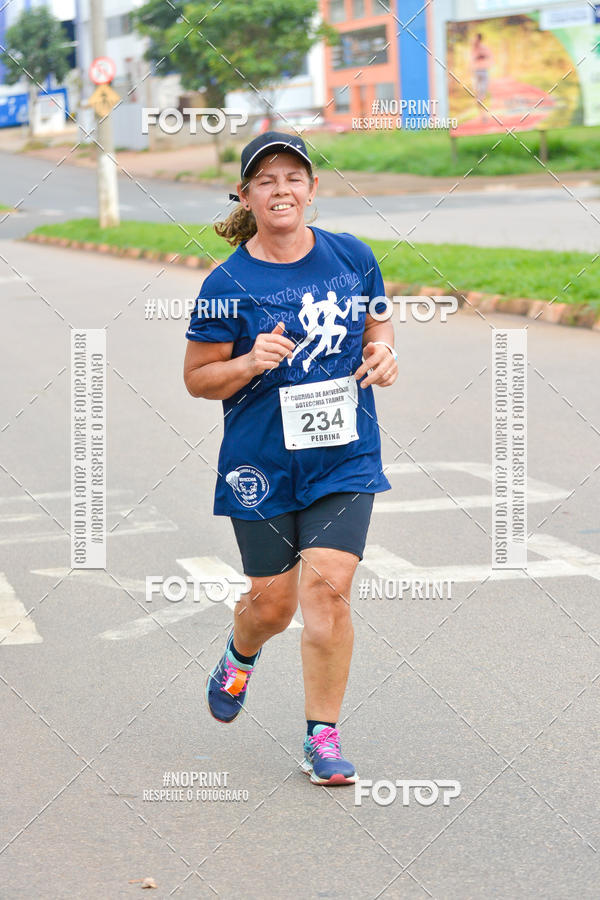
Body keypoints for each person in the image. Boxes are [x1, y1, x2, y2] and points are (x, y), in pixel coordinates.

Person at [183, 131, 398, 786]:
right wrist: (249, 362)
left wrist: (385, 351)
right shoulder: (227, 283)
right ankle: (239, 652)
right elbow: (197, 377)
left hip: (344, 454)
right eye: (266, 180)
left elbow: (378, 320)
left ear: (312, 189)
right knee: (272, 606)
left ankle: (322, 737)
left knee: (328, 589)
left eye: (293, 177)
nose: (282, 190)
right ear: (246, 196)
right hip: (262, 465)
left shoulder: (351, 258)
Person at [470, 32, 493, 122]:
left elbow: (490, 58)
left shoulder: (485, 48)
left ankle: (483, 116)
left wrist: (483, 57)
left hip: (483, 72)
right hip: (475, 73)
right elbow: (471, 61)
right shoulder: (473, 49)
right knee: (477, 95)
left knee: (482, 96)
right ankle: (481, 115)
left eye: (477, 39)